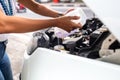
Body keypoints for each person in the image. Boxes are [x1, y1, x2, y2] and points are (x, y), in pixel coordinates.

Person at [0, 0, 81, 80]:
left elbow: (36, 7)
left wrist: (62, 16)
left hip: (2, 50)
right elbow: (3, 24)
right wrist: (56, 22)